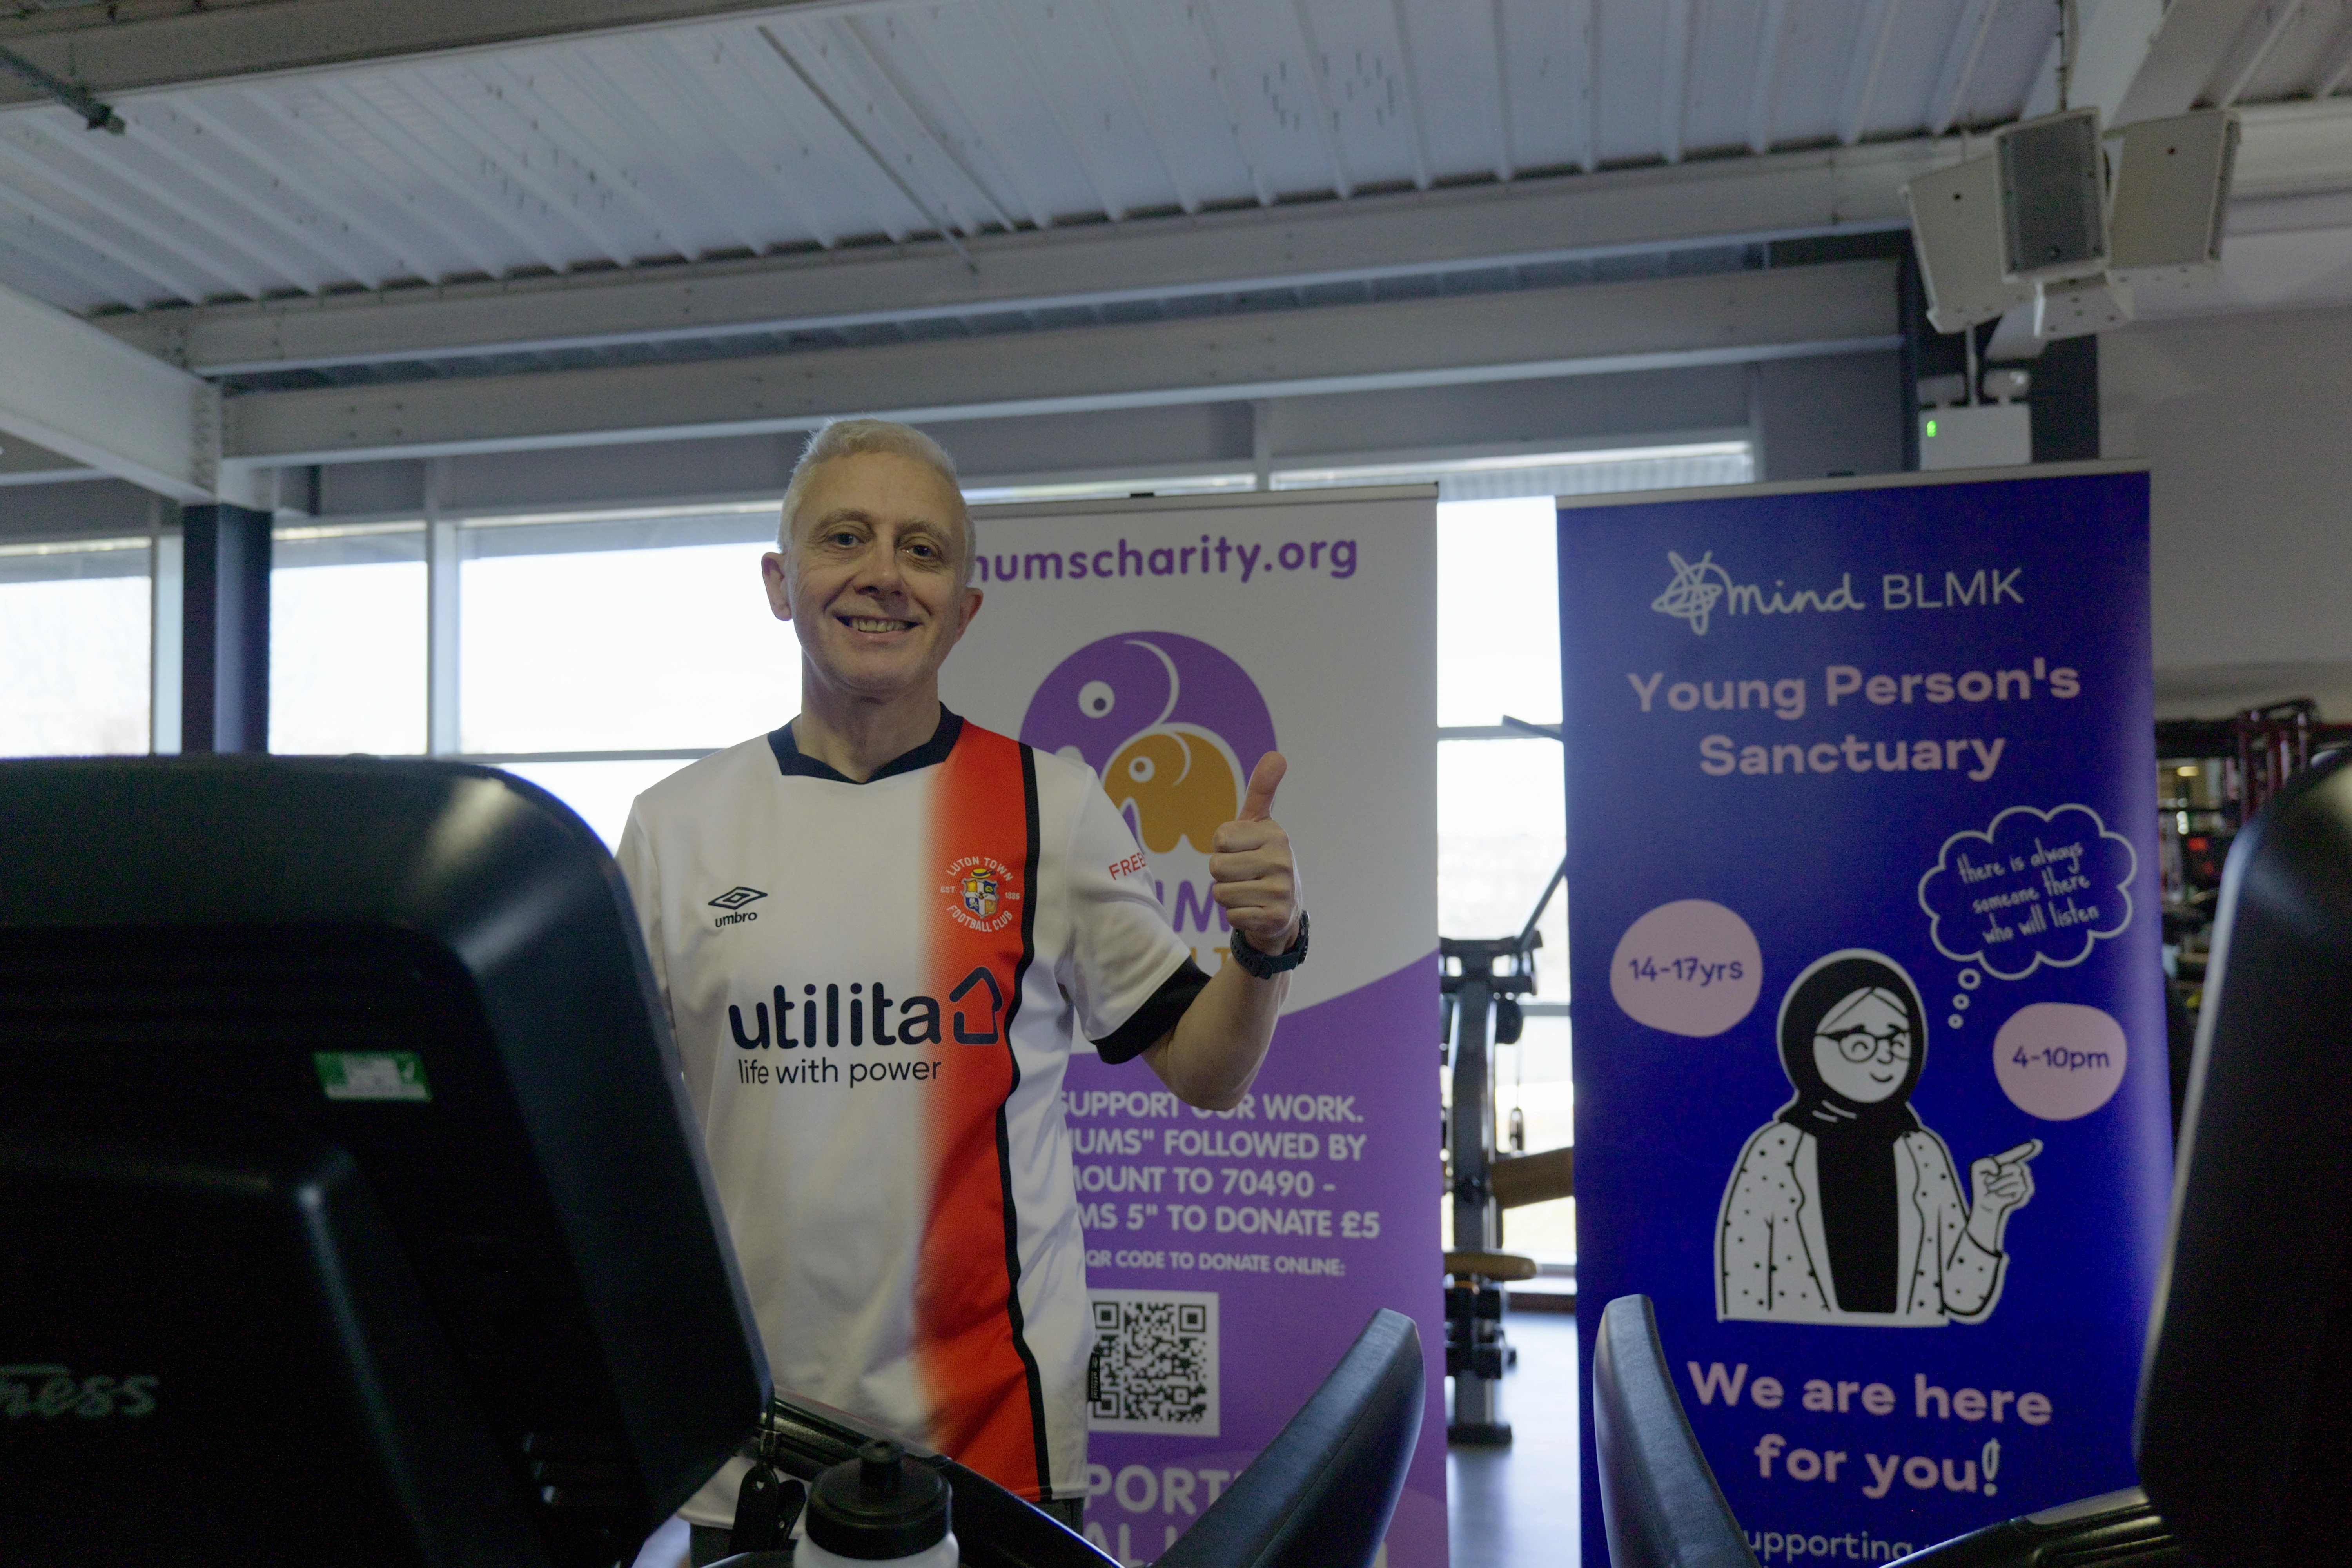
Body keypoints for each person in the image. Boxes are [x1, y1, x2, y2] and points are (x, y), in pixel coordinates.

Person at [615, 419, 1305, 1553]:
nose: (884, 573)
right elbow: (617, 1137)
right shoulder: (674, 826)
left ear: (966, 604)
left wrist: (1268, 945)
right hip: (744, 1442)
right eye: (846, 538)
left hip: (993, 1439)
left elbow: (1208, 1072)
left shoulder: (1052, 803)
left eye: (924, 550)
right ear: (781, 584)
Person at [1715, 950, 2037, 1325]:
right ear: (1805, 1045)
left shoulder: (1922, 1152)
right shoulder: (1775, 1153)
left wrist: (1988, 1211)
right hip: (1792, 1372)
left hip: (1920, 1373)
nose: (1885, 1057)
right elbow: (1743, 1294)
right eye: (1859, 1042)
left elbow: (1963, 1300)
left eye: (1897, 1040)